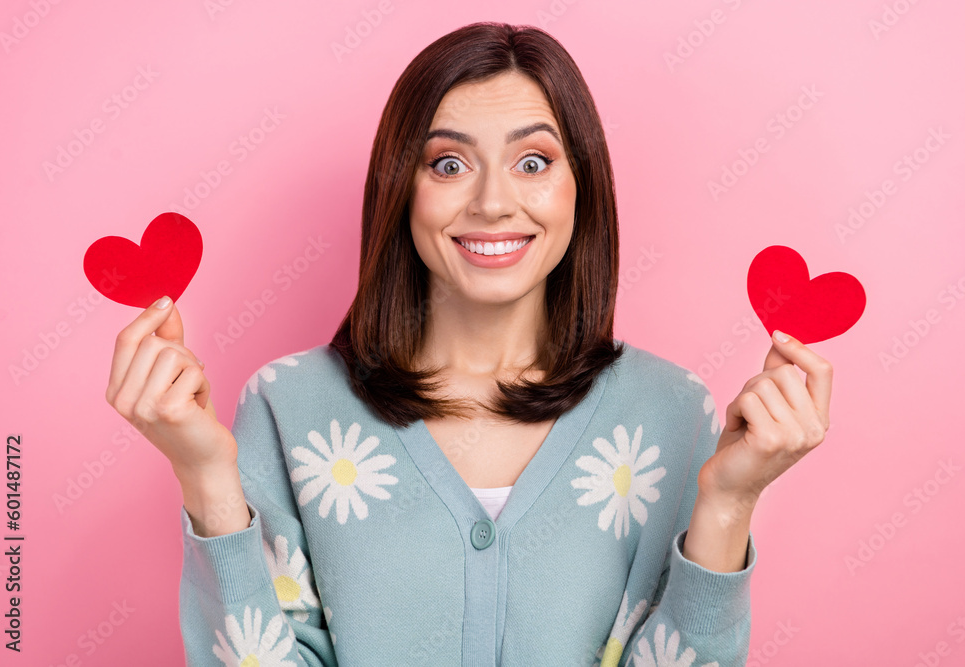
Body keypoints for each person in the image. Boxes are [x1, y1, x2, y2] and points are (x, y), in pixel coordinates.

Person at [105, 21, 832, 667]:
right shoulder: (287, 404)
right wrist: (202, 474)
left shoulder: (672, 411)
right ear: (401, 187)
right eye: (448, 164)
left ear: (582, 187)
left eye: (534, 162)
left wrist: (729, 502)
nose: (491, 201)